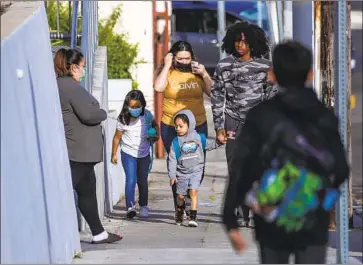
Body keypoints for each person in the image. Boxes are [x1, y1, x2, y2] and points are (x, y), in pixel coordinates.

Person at [222, 40, 350, 264]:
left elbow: (242, 165)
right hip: (312, 218)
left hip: (271, 216)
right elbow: (340, 169)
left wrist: (230, 218)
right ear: (310, 74)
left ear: (272, 75)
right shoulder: (323, 116)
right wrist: (319, 200)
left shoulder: (261, 115)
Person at [54, 48, 122, 244]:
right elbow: (89, 114)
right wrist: (101, 112)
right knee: (67, 189)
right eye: (82, 67)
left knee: (87, 191)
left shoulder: (63, 86)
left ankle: (99, 233)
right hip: (78, 150)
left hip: (80, 150)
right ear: (73, 67)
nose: (83, 72)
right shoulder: (70, 87)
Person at [211, 21, 275, 227]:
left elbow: (272, 96)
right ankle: (241, 210)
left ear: (254, 43)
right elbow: (217, 96)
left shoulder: (265, 67)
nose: (240, 45)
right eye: (237, 41)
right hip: (232, 122)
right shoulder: (224, 65)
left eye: (244, 42)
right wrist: (219, 127)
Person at [154, 41, 213, 219]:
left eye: (187, 58)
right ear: (173, 57)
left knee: (197, 165)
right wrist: (166, 65)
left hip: (198, 125)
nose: (185, 61)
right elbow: (158, 87)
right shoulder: (169, 71)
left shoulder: (196, 73)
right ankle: (180, 205)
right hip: (172, 126)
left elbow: (213, 92)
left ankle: (188, 195)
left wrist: (204, 73)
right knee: (178, 165)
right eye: (180, 58)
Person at [111, 90, 159, 219]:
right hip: (128, 153)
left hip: (144, 154)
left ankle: (143, 206)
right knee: (131, 179)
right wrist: (113, 154)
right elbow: (116, 138)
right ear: (127, 106)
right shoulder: (123, 119)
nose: (135, 109)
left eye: (138, 107)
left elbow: (156, 126)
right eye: (132, 107)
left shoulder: (147, 116)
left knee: (142, 180)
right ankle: (130, 207)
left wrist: (155, 134)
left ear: (142, 105)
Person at [168, 110, 220, 227]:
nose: (178, 128)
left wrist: (219, 142)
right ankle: (180, 211)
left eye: (181, 126)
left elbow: (209, 145)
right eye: (176, 126)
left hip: (197, 170)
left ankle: (193, 217)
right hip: (182, 173)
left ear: (190, 124)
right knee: (181, 196)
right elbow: (172, 159)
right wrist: (172, 175)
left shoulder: (198, 138)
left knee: (193, 191)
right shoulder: (175, 142)